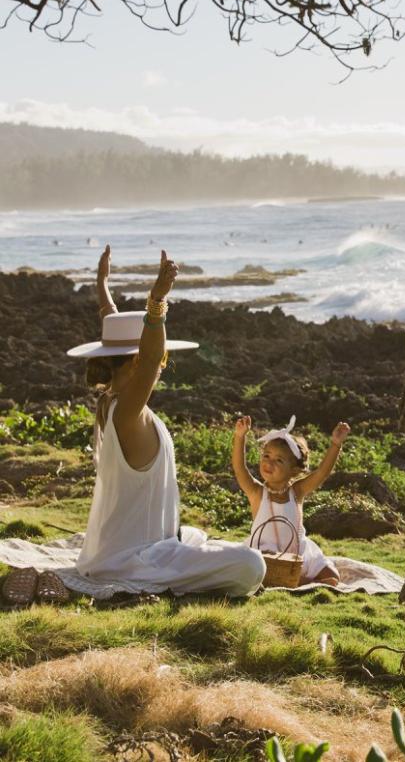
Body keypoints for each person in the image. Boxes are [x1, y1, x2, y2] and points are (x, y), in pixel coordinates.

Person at [67, 244, 265, 597]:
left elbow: (118, 333)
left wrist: (102, 287)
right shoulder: (128, 412)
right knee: (252, 565)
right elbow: (150, 355)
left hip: (124, 550)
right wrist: (156, 303)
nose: (161, 364)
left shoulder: (109, 402)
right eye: (153, 361)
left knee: (193, 536)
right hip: (137, 561)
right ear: (136, 363)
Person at [232, 414, 350, 586]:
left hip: (298, 552)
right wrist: (240, 436)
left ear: (294, 470)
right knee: (259, 570)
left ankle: (298, 579)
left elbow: (321, 473)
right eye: (266, 456)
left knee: (332, 575)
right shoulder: (256, 492)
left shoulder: (297, 491)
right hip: (265, 553)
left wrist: (335, 444)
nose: (269, 462)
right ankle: (302, 582)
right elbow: (239, 467)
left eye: (279, 460)